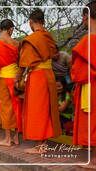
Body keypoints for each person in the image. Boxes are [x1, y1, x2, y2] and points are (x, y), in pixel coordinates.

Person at [17, 9, 61, 154]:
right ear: (44, 21)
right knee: (47, 108)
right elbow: (56, 55)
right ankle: (43, 143)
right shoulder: (48, 37)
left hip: (37, 76)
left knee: (38, 110)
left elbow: (24, 64)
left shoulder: (32, 40)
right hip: (49, 74)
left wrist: (18, 79)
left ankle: (40, 146)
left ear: (30, 22)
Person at [71, 1, 96, 169]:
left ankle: (94, 161)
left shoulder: (89, 40)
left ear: (86, 16)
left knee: (93, 120)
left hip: (92, 85)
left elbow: (77, 72)